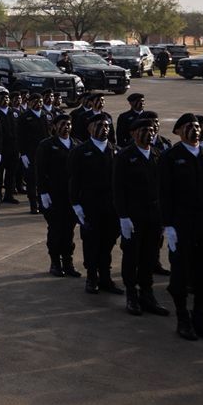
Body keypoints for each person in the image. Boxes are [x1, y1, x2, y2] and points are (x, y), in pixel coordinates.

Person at [160, 113, 203, 340]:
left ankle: (200, 317)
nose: (195, 130)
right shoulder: (171, 157)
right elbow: (164, 194)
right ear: (178, 132)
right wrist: (168, 226)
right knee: (181, 272)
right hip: (183, 221)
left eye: (198, 126)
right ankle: (183, 318)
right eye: (189, 126)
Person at [112, 113, 168, 317]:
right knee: (132, 256)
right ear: (134, 134)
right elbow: (118, 189)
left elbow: (164, 189)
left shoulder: (158, 155)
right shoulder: (125, 156)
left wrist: (164, 218)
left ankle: (147, 293)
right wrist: (123, 217)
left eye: (152, 130)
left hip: (154, 216)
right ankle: (131, 295)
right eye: (144, 131)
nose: (149, 134)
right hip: (134, 216)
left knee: (150, 256)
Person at [69, 111, 120, 295]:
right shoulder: (81, 151)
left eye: (106, 126)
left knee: (108, 242)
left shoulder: (116, 150)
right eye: (99, 125)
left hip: (110, 206)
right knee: (91, 242)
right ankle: (92, 277)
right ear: (90, 129)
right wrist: (76, 204)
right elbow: (74, 180)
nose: (104, 129)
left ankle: (105, 277)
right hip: (90, 205)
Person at [35, 112, 81, 277]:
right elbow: (40, 171)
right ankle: (55, 263)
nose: (66, 127)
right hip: (53, 195)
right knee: (55, 230)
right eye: (62, 124)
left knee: (69, 230)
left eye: (68, 124)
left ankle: (68, 263)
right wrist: (43, 193)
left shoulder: (76, 145)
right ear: (54, 126)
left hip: (71, 196)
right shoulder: (46, 145)